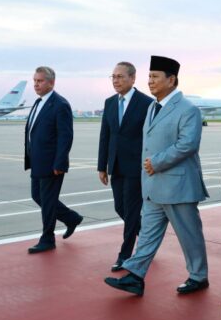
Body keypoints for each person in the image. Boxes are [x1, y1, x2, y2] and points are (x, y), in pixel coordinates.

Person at [104, 56, 209, 297]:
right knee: (147, 235)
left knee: (189, 235)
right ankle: (135, 276)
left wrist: (157, 162)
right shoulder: (152, 107)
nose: (150, 81)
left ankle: (198, 276)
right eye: (149, 77)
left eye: (155, 77)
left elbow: (188, 144)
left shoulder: (188, 109)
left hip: (178, 185)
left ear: (171, 80)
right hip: (153, 186)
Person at [97, 62, 153, 272]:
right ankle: (148, 241)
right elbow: (105, 135)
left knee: (131, 211)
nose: (116, 80)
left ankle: (125, 255)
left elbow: (151, 137)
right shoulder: (110, 102)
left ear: (132, 78)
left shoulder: (146, 103)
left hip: (137, 167)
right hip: (116, 165)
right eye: (113, 77)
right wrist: (102, 166)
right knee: (120, 207)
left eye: (120, 76)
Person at [24, 66, 83, 254]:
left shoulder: (60, 104)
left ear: (51, 82)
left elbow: (66, 136)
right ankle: (71, 218)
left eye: (40, 81)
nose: (36, 84)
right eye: (35, 81)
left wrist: (60, 162)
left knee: (48, 201)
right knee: (37, 196)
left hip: (51, 163)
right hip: (38, 161)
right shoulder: (38, 102)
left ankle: (48, 239)